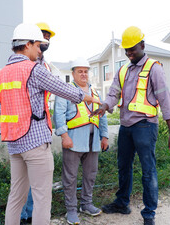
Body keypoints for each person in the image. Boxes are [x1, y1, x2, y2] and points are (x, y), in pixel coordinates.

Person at [0, 23, 101, 225]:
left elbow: (2, 112)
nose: (39, 50)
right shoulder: (33, 69)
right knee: (42, 198)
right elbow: (64, 89)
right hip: (35, 143)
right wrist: (91, 98)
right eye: (37, 46)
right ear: (27, 44)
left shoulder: (1, 74)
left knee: (15, 197)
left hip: (14, 144)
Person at [90, 26, 170, 225]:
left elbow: (165, 100)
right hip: (126, 127)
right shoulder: (123, 70)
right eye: (126, 50)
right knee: (123, 166)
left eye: (132, 49)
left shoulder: (154, 68)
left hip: (145, 126)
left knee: (148, 170)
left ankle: (149, 214)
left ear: (142, 45)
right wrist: (105, 106)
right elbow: (113, 93)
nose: (129, 53)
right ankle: (122, 203)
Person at [53, 58, 109, 225]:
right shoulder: (66, 91)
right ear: (73, 73)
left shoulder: (95, 92)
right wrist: (64, 136)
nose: (84, 74)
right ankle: (71, 209)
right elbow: (59, 115)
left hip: (93, 142)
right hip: (73, 141)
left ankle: (86, 204)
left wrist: (104, 136)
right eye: (80, 71)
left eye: (86, 71)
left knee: (90, 175)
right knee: (70, 177)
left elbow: (102, 115)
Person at [19, 22, 56, 225]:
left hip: (40, 126)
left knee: (38, 183)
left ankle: (32, 215)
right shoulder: (26, 63)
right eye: (43, 36)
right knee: (23, 182)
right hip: (25, 128)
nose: (47, 41)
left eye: (49, 38)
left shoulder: (46, 66)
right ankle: (24, 216)